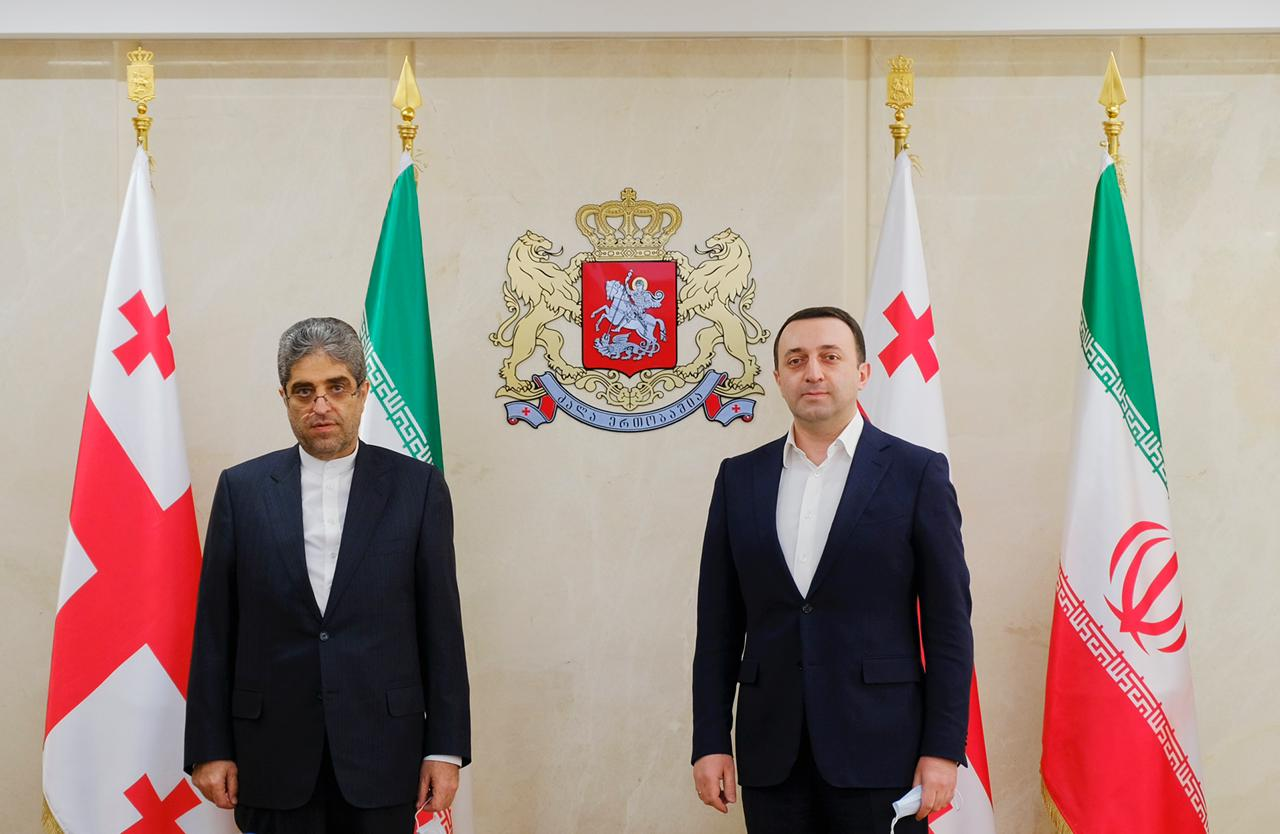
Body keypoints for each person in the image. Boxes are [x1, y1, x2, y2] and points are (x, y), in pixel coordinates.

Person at [691, 306, 973, 834]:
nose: (813, 372)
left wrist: (942, 750)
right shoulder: (739, 479)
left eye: (830, 357)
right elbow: (718, 627)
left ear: (862, 373)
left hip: (884, 751)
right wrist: (709, 741)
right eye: (796, 360)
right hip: (771, 754)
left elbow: (949, 626)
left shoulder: (916, 473)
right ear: (778, 377)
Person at [184, 317, 470, 834]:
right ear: (284, 398)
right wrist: (209, 747)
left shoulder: (418, 488)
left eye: (336, 387)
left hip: (384, 753)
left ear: (362, 392)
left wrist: (445, 749)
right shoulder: (242, 490)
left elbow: (441, 628)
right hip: (271, 755)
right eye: (304, 390)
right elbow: (214, 630)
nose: (320, 405)